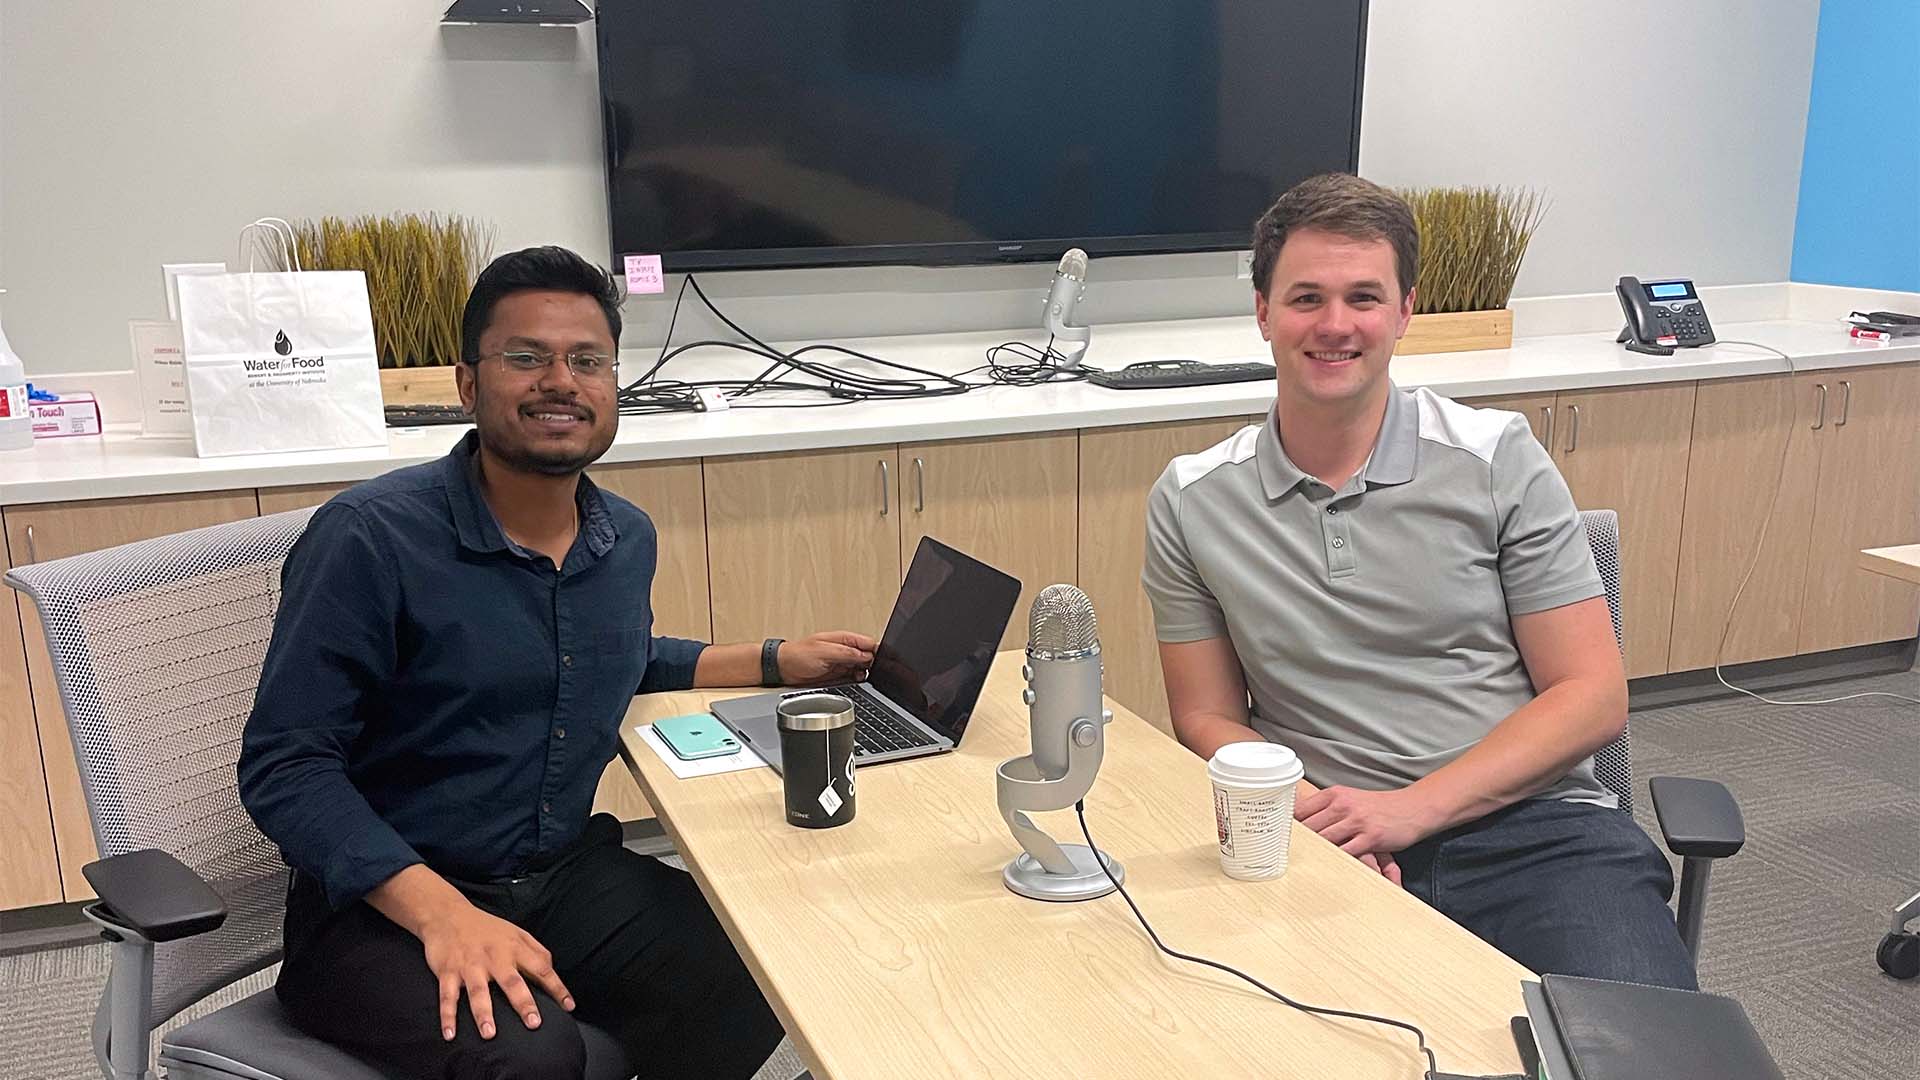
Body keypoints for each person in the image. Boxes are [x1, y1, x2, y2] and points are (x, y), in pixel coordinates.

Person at [239, 245, 878, 1078]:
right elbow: (285, 768)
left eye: (587, 361)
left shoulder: (623, 537)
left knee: (756, 970)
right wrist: (442, 915)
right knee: (536, 1057)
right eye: (526, 358)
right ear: (469, 385)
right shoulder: (370, 538)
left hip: (558, 875)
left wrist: (772, 657)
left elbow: (608, 660)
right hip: (380, 908)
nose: (560, 382)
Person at [1140, 174, 1696, 990]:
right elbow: (1206, 715)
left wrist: (1413, 808)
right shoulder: (1192, 500)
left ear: (1404, 313)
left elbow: (1591, 693)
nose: (1335, 325)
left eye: (1364, 297)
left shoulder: (1496, 458)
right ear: (1263, 313)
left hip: (1535, 835)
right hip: (1319, 838)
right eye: (1306, 298)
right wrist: (1310, 814)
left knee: (1643, 1050)